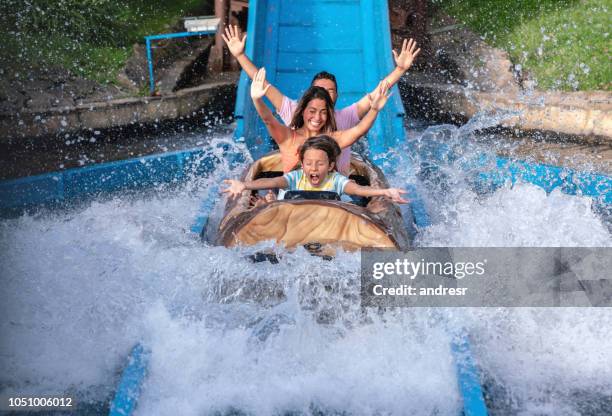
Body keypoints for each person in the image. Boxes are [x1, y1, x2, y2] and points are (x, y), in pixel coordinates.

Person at [222, 25, 421, 169]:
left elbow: (375, 97)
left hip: (336, 187)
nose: (324, 93)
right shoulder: (292, 116)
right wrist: (240, 56)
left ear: (336, 96)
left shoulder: (345, 119)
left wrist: (400, 69)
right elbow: (262, 84)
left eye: (330, 91)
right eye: (319, 90)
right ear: (310, 96)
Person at [250, 67, 390, 174]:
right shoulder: (288, 138)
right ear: (302, 110)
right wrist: (257, 100)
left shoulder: (332, 140)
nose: (317, 118)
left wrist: (374, 109)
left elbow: (360, 130)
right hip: (292, 201)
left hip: (327, 201)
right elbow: (268, 119)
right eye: (312, 111)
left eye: (323, 112)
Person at [222, 135, 409, 204]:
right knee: (267, 201)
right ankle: (267, 203)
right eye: (309, 163)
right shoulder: (295, 178)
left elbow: (359, 190)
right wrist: (244, 185)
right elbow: (271, 182)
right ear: (302, 165)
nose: (314, 168)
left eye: (320, 164)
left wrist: (385, 191)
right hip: (291, 223)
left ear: (330, 166)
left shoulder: (335, 180)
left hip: (323, 225)